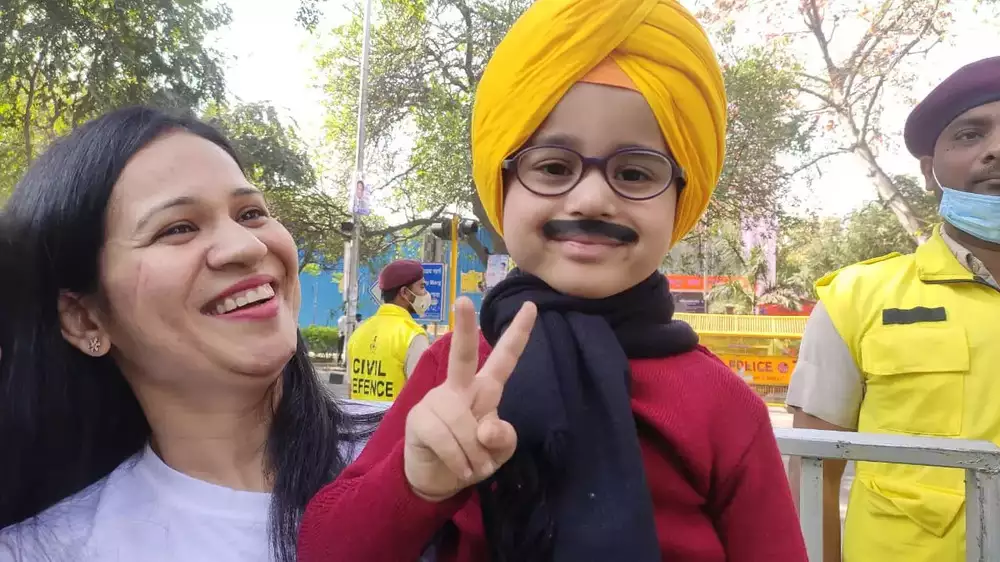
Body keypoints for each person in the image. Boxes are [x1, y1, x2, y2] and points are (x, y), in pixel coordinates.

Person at [297, 1, 807, 561]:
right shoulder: (454, 372)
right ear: (503, 184)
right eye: (553, 167)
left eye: (635, 172)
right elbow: (324, 547)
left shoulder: (724, 405)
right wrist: (415, 483)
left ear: (681, 197)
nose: (590, 198)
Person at [0, 106, 380, 562]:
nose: (247, 246)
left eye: (251, 213)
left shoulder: (425, 452)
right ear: (85, 319)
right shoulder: (43, 550)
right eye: (178, 228)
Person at [786, 56, 1000, 562]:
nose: (996, 150)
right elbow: (814, 477)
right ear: (928, 172)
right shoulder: (855, 299)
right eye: (970, 134)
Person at [346, 260, 431, 402]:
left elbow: (351, 391)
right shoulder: (413, 336)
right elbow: (422, 397)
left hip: (360, 417)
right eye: (422, 287)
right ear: (404, 293)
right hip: (397, 417)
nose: (425, 293)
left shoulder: (359, 333)